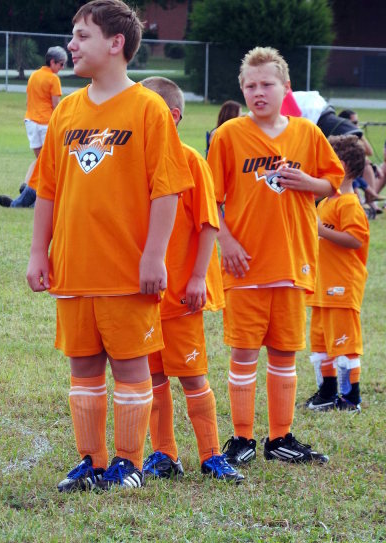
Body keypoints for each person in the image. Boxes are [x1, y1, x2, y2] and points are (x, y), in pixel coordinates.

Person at [26, 0, 194, 492]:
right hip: (74, 266)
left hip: (127, 269)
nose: (71, 45)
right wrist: (38, 252)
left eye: (82, 36)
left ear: (116, 43)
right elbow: (48, 190)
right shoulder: (67, 111)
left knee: (130, 364)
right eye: (73, 35)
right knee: (82, 365)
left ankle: (128, 462)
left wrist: (154, 255)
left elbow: (167, 189)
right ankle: (91, 460)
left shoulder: (148, 108)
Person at [207, 47, 344, 467]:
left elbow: (332, 183)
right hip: (244, 263)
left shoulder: (307, 133)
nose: (258, 92)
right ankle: (242, 438)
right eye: (250, 85)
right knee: (244, 352)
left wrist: (308, 182)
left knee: (284, 353)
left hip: (292, 260)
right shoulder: (229, 135)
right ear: (242, 90)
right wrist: (227, 241)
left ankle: (280, 437)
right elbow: (210, 200)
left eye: (267, 84)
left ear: (286, 88)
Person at [139, 77, 243, 484]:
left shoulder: (190, 161)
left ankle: (211, 455)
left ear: (173, 116)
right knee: (152, 378)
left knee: (192, 376)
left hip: (181, 295)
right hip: (142, 296)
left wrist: (198, 277)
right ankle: (164, 454)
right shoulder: (133, 164)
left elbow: (208, 224)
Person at [304, 135, 369, 413]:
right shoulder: (326, 202)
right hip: (322, 286)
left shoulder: (349, 203)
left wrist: (321, 230)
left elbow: (355, 239)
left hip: (342, 285)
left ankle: (350, 398)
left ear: (341, 165)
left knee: (344, 342)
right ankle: (327, 392)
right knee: (320, 342)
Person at [0, 45, 66, 209]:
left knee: (40, 161)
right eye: (61, 64)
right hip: (45, 123)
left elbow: (28, 100)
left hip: (31, 121)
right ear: (52, 62)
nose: (62, 68)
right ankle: (30, 196)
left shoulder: (34, 75)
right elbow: (56, 106)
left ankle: (28, 189)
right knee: (47, 163)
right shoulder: (53, 79)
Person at [339, 108, 384, 215]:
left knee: (367, 166)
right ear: (345, 123)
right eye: (354, 123)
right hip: (344, 169)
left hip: (354, 169)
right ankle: (364, 202)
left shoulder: (355, 134)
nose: (357, 125)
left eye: (357, 122)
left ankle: (370, 202)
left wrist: (361, 135)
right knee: (356, 172)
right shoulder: (340, 136)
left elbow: (369, 152)